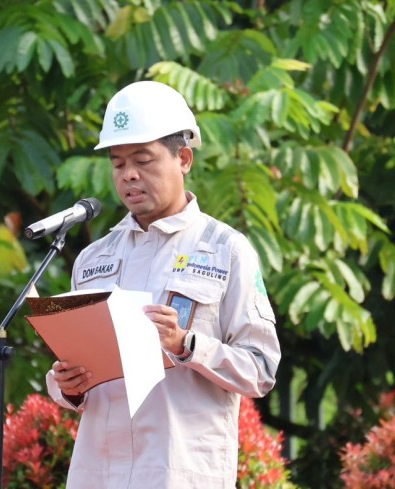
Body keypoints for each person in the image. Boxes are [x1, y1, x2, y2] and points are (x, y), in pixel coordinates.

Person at [46, 80, 281, 488]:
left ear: (184, 158)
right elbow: (79, 379)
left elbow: (260, 370)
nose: (130, 175)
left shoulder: (226, 249)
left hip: (179, 473)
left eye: (144, 160)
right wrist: (66, 386)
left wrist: (186, 345)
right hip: (98, 475)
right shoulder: (92, 259)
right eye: (118, 164)